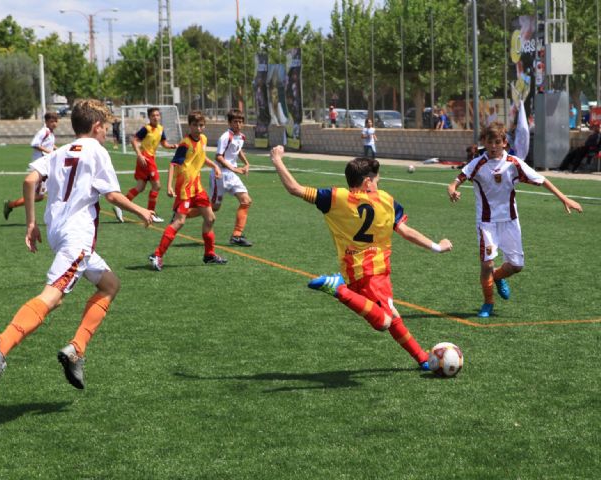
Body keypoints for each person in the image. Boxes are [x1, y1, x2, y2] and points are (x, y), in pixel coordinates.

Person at [0, 99, 154, 394]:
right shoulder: (97, 151)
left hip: (57, 233)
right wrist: (142, 212)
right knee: (52, 297)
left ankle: (76, 350)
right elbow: (111, 195)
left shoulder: (60, 151)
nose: (107, 135)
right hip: (77, 237)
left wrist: (31, 224)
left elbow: (29, 179)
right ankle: (2, 343)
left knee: (110, 284)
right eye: (107, 129)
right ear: (96, 127)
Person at [269, 145, 453, 371]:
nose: (378, 185)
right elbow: (406, 232)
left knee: (392, 315)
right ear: (367, 182)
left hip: (352, 270)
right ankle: (339, 289)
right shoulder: (386, 200)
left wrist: (277, 160)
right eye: (377, 180)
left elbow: (294, 188)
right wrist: (438, 246)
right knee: (384, 322)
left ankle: (422, 359)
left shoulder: (335, 197)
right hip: (375, 272)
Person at [447, 122, 583, 318]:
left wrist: (564, 198)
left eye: (497, 142)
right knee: (486, 264)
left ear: (504, 143)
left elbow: (542, 179)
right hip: (487, 223)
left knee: (516, 266)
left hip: (510, 221)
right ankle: (488, 303)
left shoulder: (514, 163)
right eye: (489, 142)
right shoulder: (477, 164)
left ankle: (497, 277)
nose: (493, 146)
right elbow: (456, 181)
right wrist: (452, 189)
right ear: (483, 142)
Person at [149, 111, 227, 271]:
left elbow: (201, 156)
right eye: (194, 125)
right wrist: (170, 186)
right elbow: (173, 164)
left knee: (210, 218)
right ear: (189, 126)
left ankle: (209, 254)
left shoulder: (203, 139)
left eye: (201, 125)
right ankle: (157, 255)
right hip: (184, 188)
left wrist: (214, 166)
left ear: (204, 126)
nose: (198, 128)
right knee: (180, 222)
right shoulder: (185, 144)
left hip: (197, 187)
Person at [113, 107, 177, 224]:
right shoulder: (146, 129)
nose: (156, 117)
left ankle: (120, 205)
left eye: (157, 115)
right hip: (146, 158)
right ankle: (151, 213)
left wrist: (171, 146)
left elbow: (163, 143)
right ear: (149, 117)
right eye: (153, 115)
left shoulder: (160, 129)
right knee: (157, 186)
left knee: (140, 187)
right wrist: (139, 155)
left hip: (149, 158)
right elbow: (134, 140)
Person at [210, 109, 254, 247]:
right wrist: (234, 168)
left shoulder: (241, 137)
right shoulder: (225, 137)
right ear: (229, 122)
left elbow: (237, 150)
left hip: (232, 175)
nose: (238, 124)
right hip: (220, 175)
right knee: (214, 208)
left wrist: (246, 163)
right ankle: (182, 214)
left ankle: (237, 235)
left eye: (241, 122)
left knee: (246, 201)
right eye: (235, 122)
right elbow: (218, 156)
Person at [3, 112, 59, 220]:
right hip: (40, 166)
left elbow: (50, 144)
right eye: (52, 121)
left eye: (56, 121)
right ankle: (10, 205)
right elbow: (34, 144)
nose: (54, 124)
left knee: (39, 197)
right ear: (46, 122)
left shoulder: (50, 133)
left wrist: (57, 150)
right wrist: (49, 151)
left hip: (45, 166)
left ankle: (10, 205)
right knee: (41, 195)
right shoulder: (44, 132)